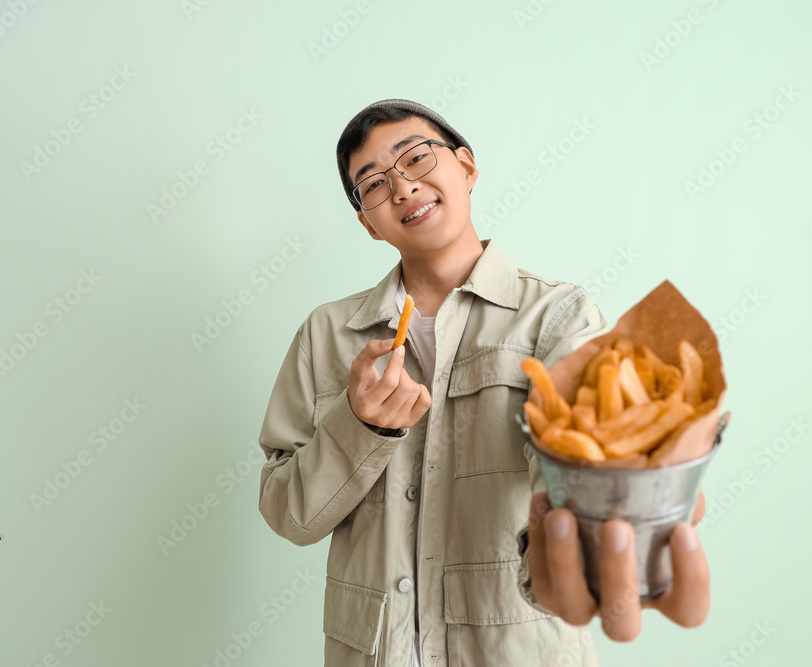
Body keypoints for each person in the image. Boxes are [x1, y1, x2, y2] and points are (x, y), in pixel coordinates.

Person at [256, 99, 710, 667]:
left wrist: (629, 494)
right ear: (367, 221)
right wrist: (360, 426)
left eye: (416, 159)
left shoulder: (556, 315)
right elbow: (290, 514)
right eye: (372, 183)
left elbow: (582, 451)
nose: (401, 188)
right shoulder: (327, 334)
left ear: (466, 168)